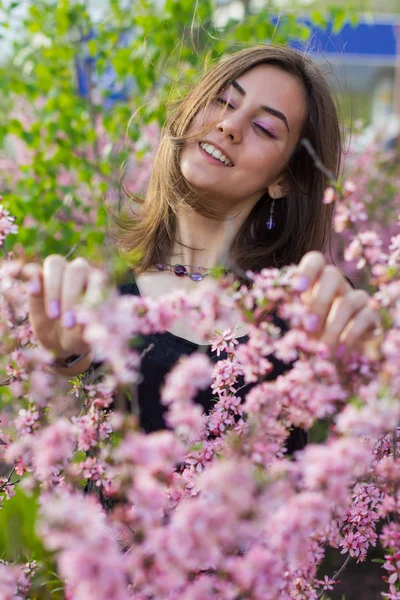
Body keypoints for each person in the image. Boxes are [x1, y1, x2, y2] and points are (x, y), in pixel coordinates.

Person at [23, 45, 378, 452]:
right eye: (223, 100)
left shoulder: (307, 312)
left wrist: (373, 366)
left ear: (283, 180)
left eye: (264, 127)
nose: (230, 125)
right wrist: (61, 358)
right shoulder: (103, 293)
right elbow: (50, 461)